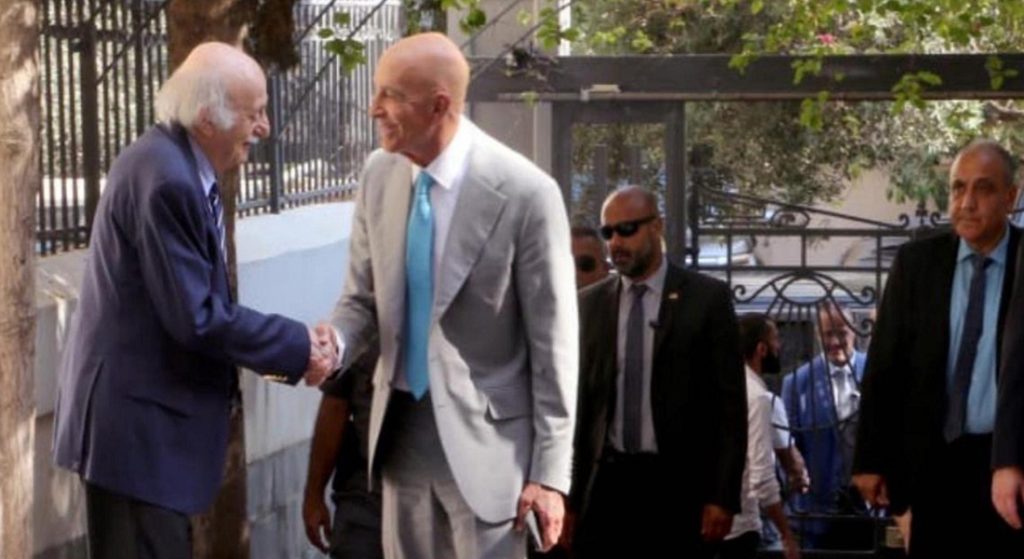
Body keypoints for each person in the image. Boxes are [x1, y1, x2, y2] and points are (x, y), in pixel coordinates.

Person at [51, 42, 333, 559]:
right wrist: (298, 348)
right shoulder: (168, 179)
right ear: (208, 118)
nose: (265, 127)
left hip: (141, 434)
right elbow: (197, 316)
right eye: (254, 113)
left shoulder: (172, 162)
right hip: (139, 440)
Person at [319, 32, 578, 559]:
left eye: (391, 95)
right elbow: (362, 301)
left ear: (439, 105)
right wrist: (333, 344)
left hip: (491, 456)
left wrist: (550, 475)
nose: (374, 109)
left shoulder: (526, 192)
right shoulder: (378, 175)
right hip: (398, 443)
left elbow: (554, 344)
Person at [853, 139, 1024, 556]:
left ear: (1010, 197)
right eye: (958, 188)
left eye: (983, 188)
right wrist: (869, 459)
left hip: (1008, 466)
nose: (967, 203)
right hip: (932, 462)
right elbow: (884, 364)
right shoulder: (917, 263)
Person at [570, 186, 747, 557]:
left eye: (627, 229)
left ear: (657, 226)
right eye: (608, 233)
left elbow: (730, 408)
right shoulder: (590, 305)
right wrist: (568, 495)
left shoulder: (706, 299)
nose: (616, 242)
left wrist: (722, 495)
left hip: (678, 490)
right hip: (606, 488)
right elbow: (579, 408)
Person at [707, 314, 800, 559]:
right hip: (739, 525)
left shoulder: (716, 386)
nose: (779, 347)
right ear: (762, 349)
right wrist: (786, 533)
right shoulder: (757, 397)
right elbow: (762, 477)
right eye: (776, 339)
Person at [781, 303, 868, 546]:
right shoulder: (796, 382)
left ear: (854, 330)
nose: (835, 341)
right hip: (815, 515)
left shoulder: (875, 371)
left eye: (842, 333)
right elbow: (787, 445)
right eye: (828, 334)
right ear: (818, 335)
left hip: (867, 510)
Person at [303, 341, 382, 559]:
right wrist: (314, 495)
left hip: (443, 494)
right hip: (367, 496)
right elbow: (334, 409)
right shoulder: (362, 332)